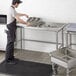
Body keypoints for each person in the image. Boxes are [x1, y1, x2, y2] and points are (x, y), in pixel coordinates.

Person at [5, 0, 30, 64]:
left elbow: (17, 14)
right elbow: (18, 19)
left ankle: (11, 58)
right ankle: (8, 60)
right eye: (18, 4)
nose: (18, 5)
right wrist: (26, 23)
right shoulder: (11, 9)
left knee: (12, 43)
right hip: (10, 28)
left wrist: (24, 14)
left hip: (11, 28)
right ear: (16, 3)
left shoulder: (12, 9)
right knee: (10, 44)